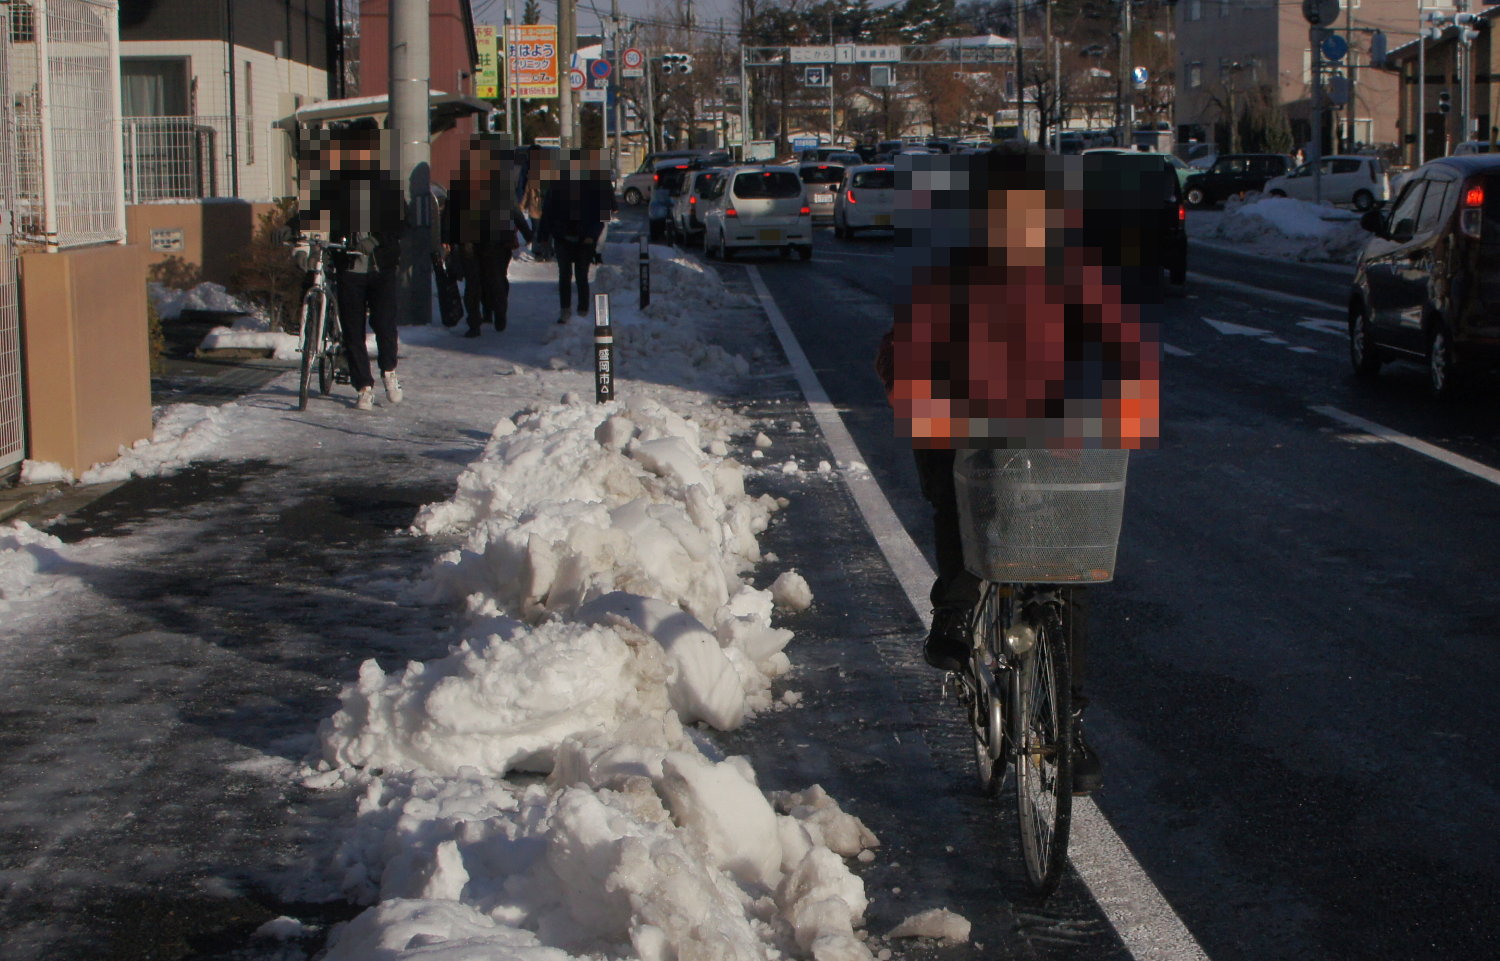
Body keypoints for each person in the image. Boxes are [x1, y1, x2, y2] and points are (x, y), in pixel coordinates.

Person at [877, 143, 1163, 795]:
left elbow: (1123, 344)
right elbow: (901, 350)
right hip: (971, 435)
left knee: (1067, 568)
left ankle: (1070, 718)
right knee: (956, 484)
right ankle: (954, 613)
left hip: (1050, 441)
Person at [296, 122, 406, 410]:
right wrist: (291, 229)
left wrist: (378, 240)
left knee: (384, 324)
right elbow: (314, 210)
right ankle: (363, 386)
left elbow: (400, 221)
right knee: (352, 329)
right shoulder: (337, 180)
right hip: (348, 265)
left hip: (381, 267)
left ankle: (388, 370)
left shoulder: (386, 180)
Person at [444, 133, 533, 337]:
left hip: (469, 237)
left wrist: (447, 236)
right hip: (494, 237)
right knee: (495, 279)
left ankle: (475, 323)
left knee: (473, 282)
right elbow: (513, 209)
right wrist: (528, 232)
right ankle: (498, 312)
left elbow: (451, 209)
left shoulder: (462, 176)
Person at [536, 148, 616, 323]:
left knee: (581, 274)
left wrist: (592, 235)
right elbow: (548, 211)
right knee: (565, 274)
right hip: (562, 235)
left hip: (585, 236)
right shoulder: (559, 184)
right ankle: (566, 310)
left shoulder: (593, 184)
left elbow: (602, 214)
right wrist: (543, 236)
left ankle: (582, 310)